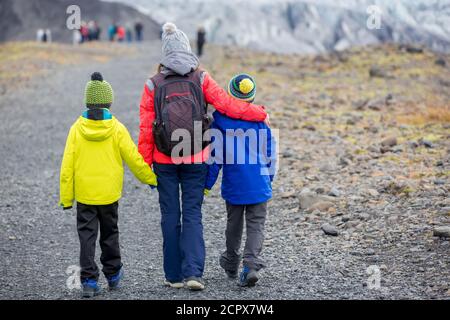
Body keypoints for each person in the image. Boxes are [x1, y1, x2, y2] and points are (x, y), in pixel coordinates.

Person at [138, 22, 269, 291]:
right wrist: (259, 114)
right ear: (188, 49)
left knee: (170, 216)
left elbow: (145, 129)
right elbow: (227, 104)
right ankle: (194, 274)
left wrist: (146, 163)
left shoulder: (152, 84)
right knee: (193, 214)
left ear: (164, 53)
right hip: (197, 157)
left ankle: (173, 276)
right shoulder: (200, 77)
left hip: (164, 160)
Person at [59, 72, 158, 298]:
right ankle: (113, 275)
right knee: (110, 233)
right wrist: (151, 179)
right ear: (109, 103)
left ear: (87, 102)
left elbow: (67, 165)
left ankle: (89, 281)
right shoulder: (117, 128)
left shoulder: (76, 129)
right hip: (109, 194)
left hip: (85, 195)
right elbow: (133, 158)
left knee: (87, 236)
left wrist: (66, 198)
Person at [205, 74, 276, 287]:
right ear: (252, 99)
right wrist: (268, 180)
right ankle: (251, 265)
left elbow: (214, 158)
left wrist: (206, 185)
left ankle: (231, 262)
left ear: (229, 96)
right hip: (259, 184)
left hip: (234, 185)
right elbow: (271, 154)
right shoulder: (261, 123)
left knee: (233, 225)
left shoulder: (218, 122)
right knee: (256, 225)